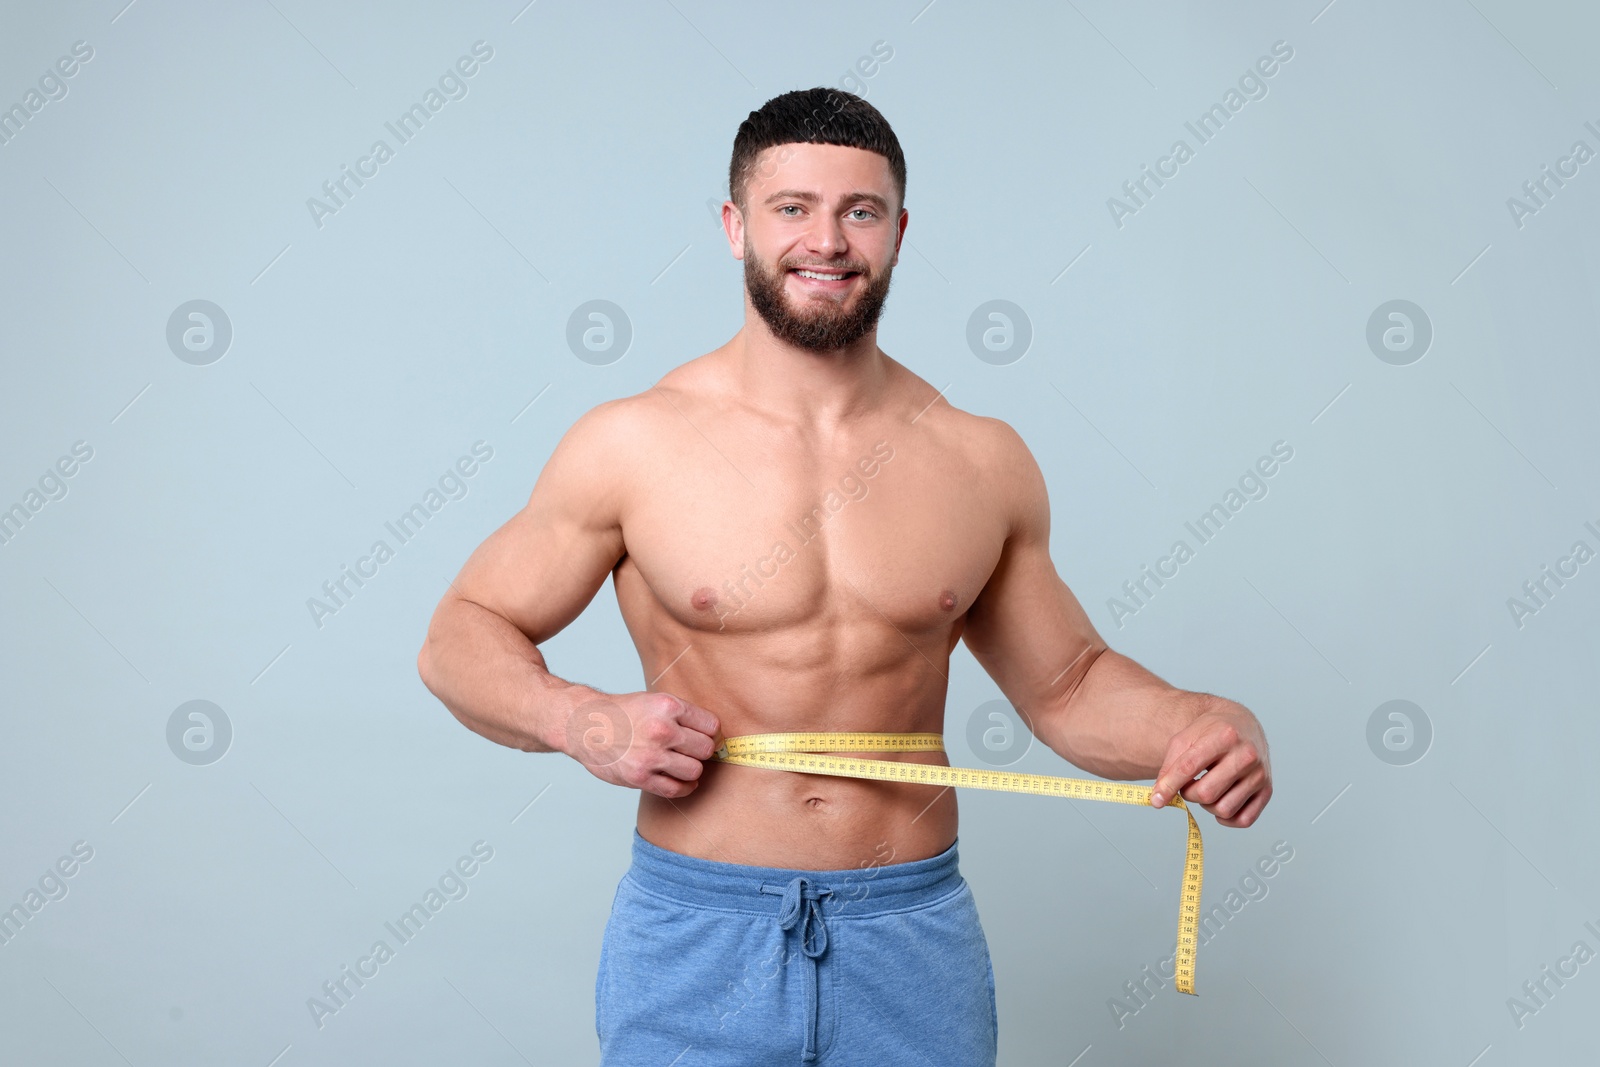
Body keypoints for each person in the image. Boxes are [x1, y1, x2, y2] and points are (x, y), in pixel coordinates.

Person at [416, 86, 1272, 1067]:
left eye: (858, 210)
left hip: (908, 937)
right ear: (735, 224)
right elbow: (460, 632)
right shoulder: (632, 445)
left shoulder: (978, 459)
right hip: (699, 929)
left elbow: (1069, 683)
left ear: (899, 231)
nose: (826, 240)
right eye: (792, 207)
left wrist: (1200, 723)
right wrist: (578, 719)